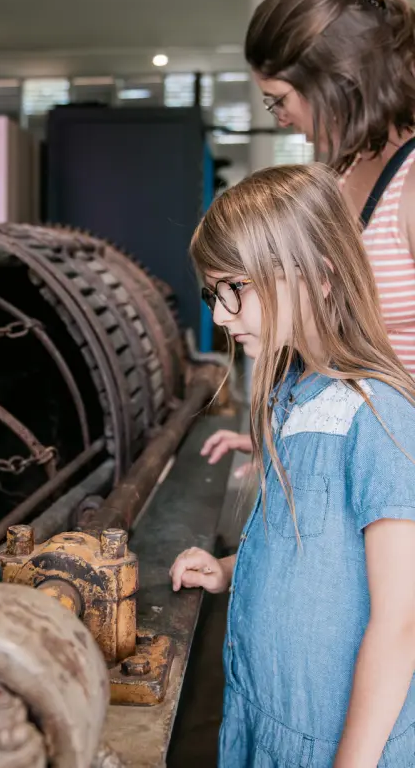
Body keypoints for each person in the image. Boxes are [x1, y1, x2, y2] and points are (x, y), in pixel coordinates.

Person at [171, 164, 415, 767]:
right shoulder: (291, 396)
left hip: (337, 740)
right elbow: (305, 545)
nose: (222, 317)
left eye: (235, 289)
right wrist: (229, 569)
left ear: (320, 277)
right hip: (265, 712)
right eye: (213, 294)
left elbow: (402, 622)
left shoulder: (378, 416)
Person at [203, 0, 415, 469]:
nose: (278, 117)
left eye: (279, 98)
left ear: (336, 82)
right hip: (368, 463)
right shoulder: (342, 178)